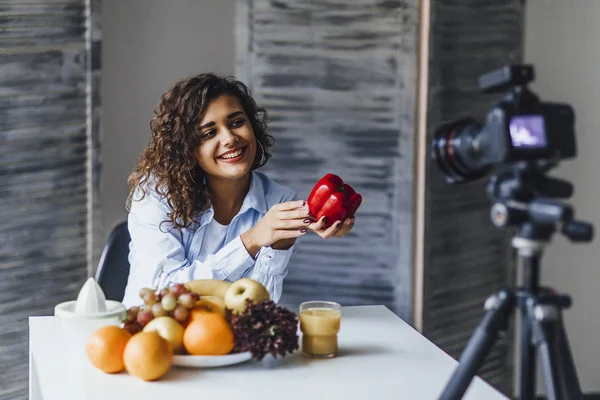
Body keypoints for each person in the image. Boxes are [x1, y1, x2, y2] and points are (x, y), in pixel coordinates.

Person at [121, 73, 355, 307]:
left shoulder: (278, 201)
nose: (230, 138)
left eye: (236, 123)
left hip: (224, 338)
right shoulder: (157, 196)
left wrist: (281, 242)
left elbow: (262, 306)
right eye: (209, 133)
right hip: (150, 337)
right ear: (187, 148)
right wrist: (252, 240)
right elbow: (164, 297)